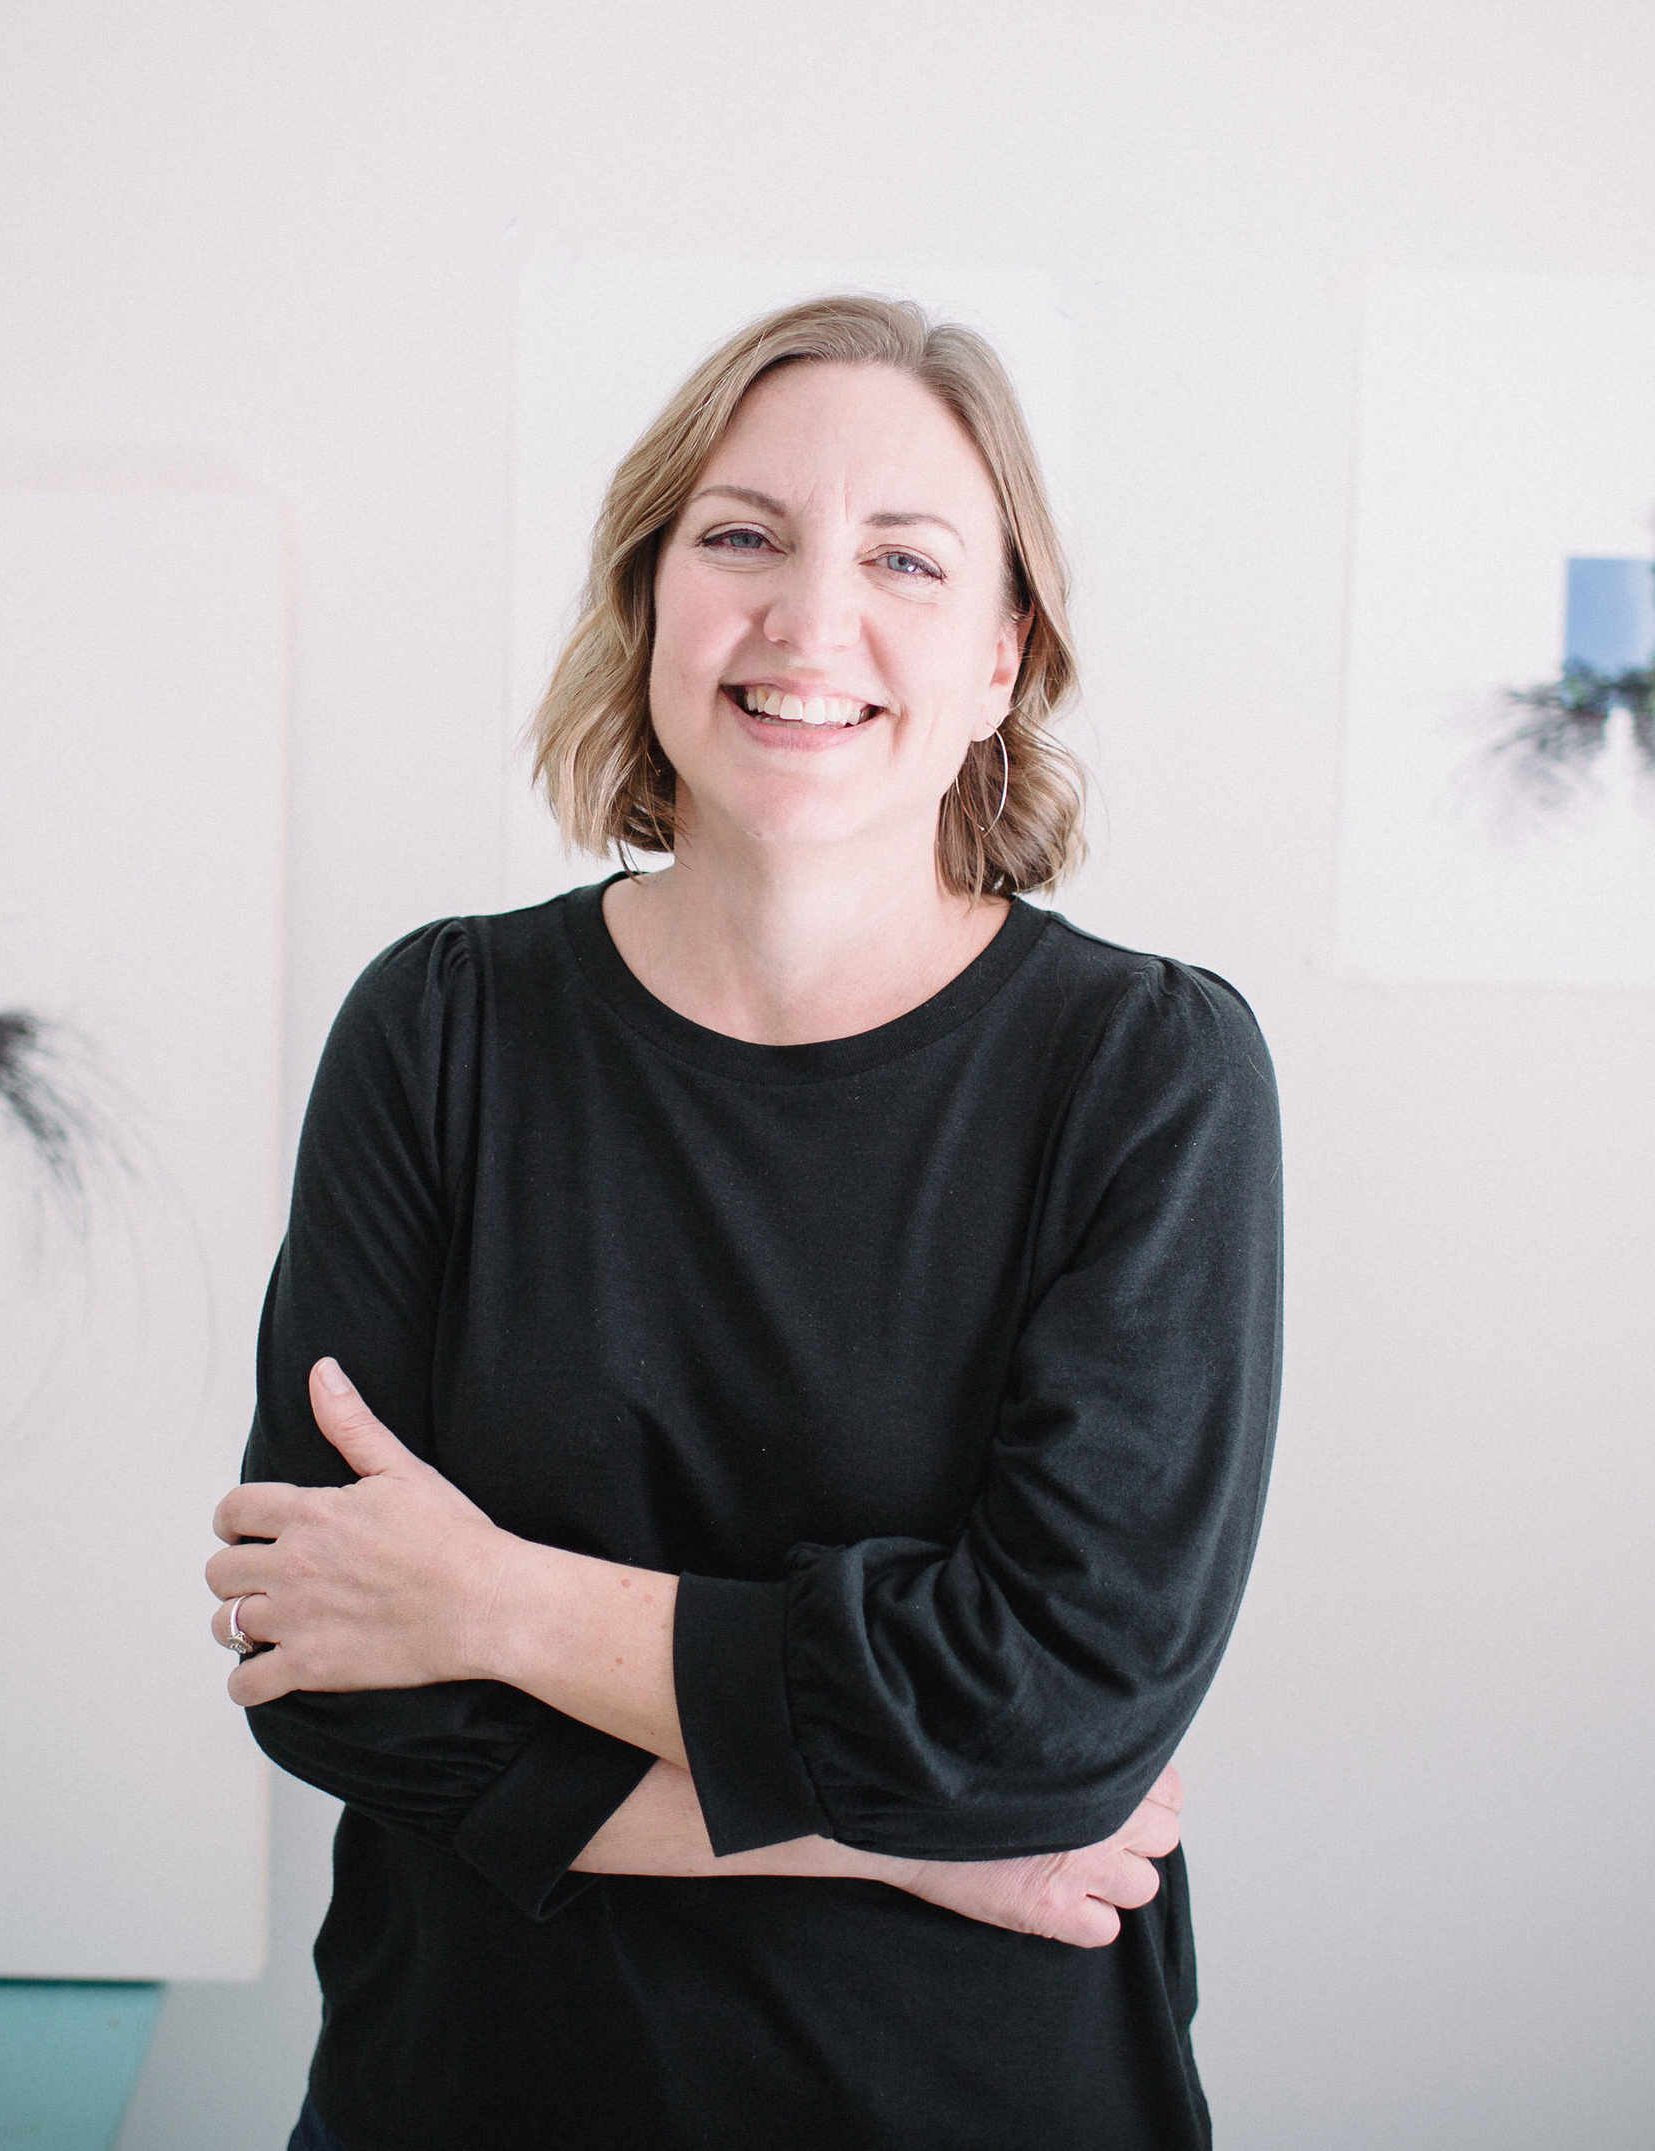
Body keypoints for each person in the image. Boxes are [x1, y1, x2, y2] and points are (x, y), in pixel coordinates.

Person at [206, 295, 1282, 2151]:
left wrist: (491, 1600)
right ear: (646, 604)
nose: (809, 620)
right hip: (471, 2090)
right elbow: (329, 1681)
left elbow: (1049, 1720)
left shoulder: (1145, 1072)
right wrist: (900, 1838)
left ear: (1004, 659)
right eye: (743, 536)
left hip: (969, 2097)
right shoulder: (443, 1030)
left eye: (906, 559)